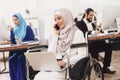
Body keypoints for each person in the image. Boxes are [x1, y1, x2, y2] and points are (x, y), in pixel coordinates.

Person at [34, 8, 87, 80]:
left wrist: (65, 62)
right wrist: (56, 35)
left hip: (69, 67)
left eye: (59, 19)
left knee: (46, 78)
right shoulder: (57, 34)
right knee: (37, 77)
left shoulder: (77, 33)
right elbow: (50, 53)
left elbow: (83, 54)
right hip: (55, 66)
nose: (57, 22)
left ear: (66, 17)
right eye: (55, 20)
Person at [76, 8, 116, 74]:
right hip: (88, 45)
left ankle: (105, 67)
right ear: (86, 14)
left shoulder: (92, 24)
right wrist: (94, 32)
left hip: (96, 42)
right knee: (94, 49)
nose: (92, 17)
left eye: (93, 15)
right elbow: (83, 33)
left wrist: (100, 31)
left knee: (109, 46)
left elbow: (97, 31)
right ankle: (97, 70)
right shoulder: (80, 23)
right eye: (90, 15)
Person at [8, 13, 35, 80]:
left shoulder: (27, 28)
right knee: (11, 59)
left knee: (20, 58)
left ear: (20, 19)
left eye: (16, 20)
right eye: (13, 20)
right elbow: (13, 42)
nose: (15, 21)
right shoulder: (15, 29)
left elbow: (32, 39)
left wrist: (23, 42)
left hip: (26, 51)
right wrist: (11, 32)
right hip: (18, 51)